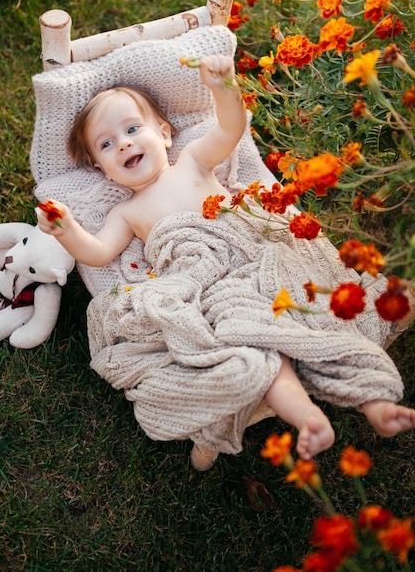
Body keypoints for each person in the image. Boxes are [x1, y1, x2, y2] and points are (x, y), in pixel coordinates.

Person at [37, 54, 415, 464]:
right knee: (249, 331)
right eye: (107, 144)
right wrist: (68, 230)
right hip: (208, 279)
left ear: (165, 134)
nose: (124, 143)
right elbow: (99, 253)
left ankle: (375, 401)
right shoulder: (124, 213)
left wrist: (223, 88)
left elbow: (232, 127)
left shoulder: (194, 161)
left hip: (256, 250)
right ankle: (306, 417)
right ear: (102, 169)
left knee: (315, 311)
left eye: (132, 129)